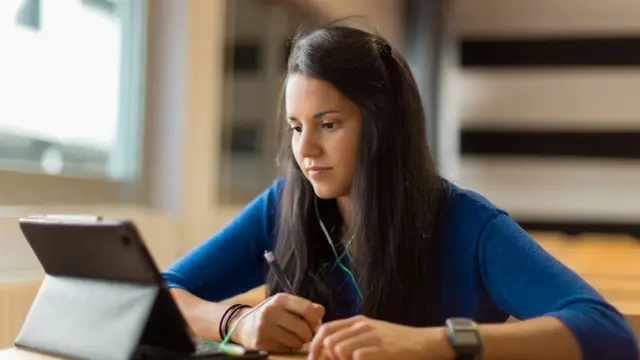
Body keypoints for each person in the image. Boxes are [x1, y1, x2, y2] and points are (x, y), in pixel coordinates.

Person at [161, 24, 639, 360]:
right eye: (294, 126)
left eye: (328, 124)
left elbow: (609, 333)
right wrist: (235, 322)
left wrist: (434, 343)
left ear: (382, 128)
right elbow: (155, 292)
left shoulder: (466, 224)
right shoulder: (282, 205)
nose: (304, 148)